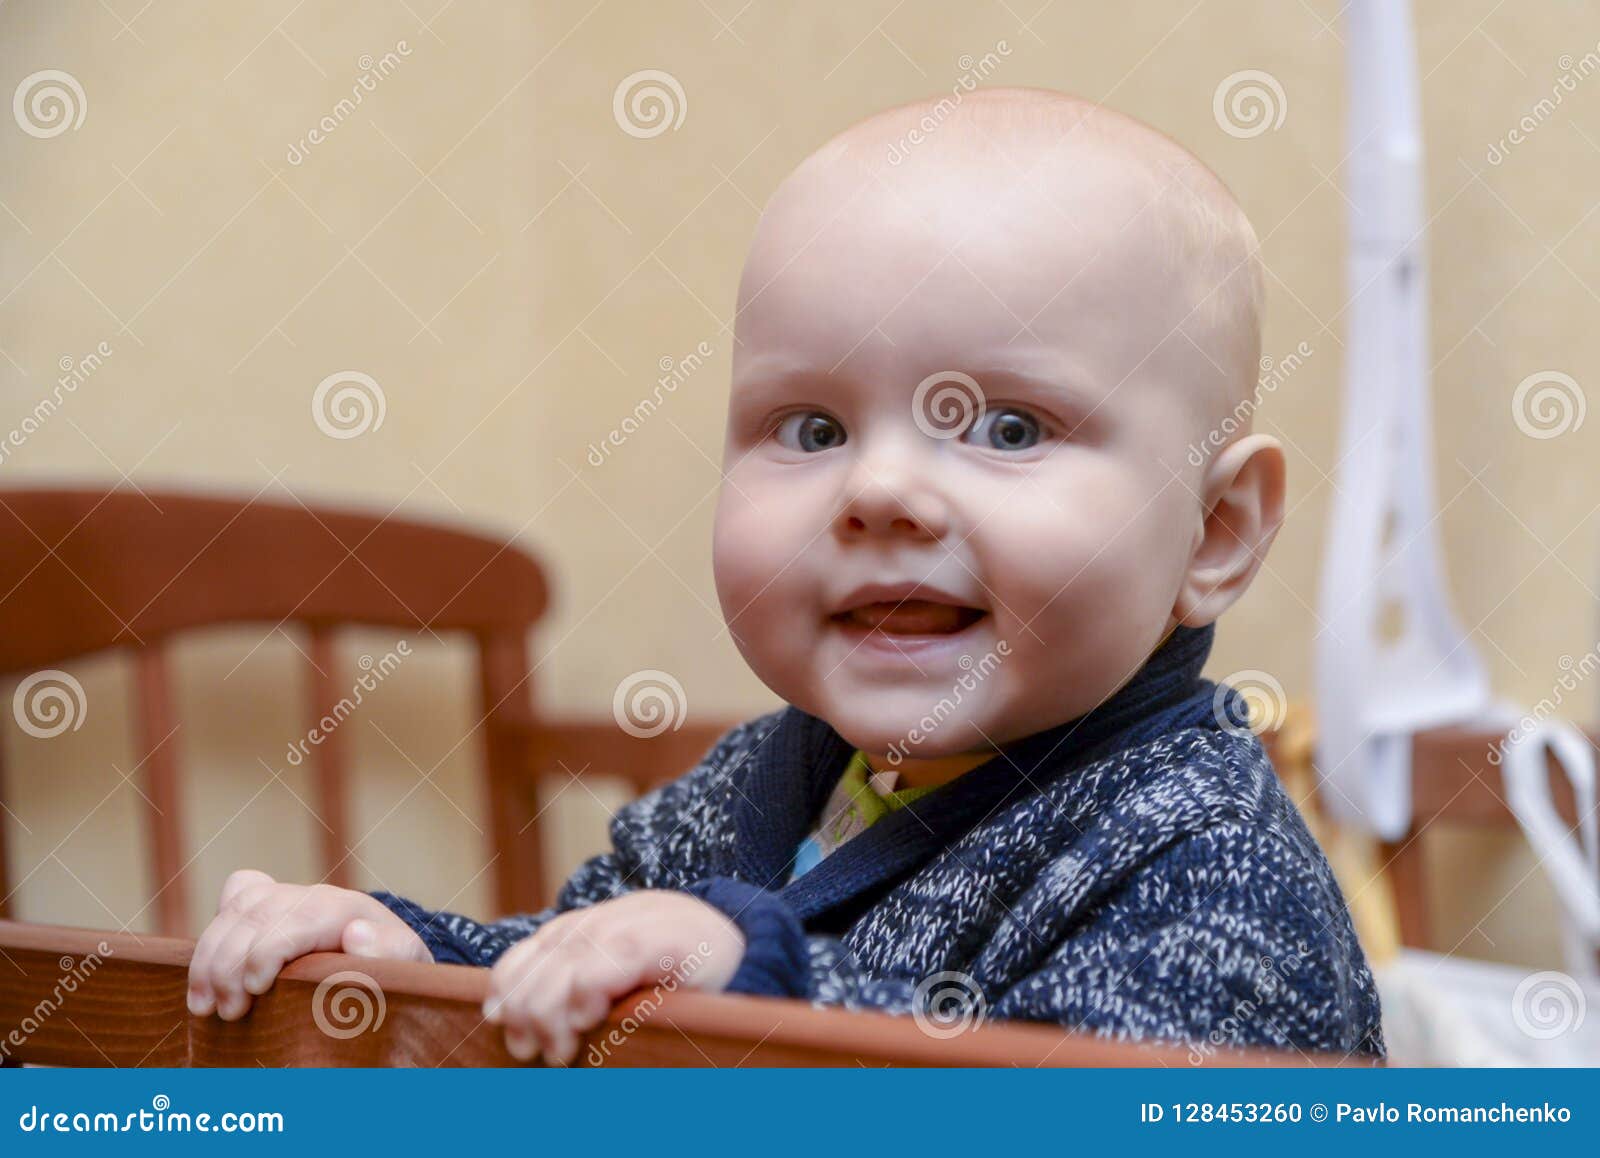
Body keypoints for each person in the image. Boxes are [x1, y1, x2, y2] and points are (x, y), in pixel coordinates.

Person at [186, 87, 1384, 1065]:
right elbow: (557, 965)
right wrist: (407, 954)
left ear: (1214, 529)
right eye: (811, 430)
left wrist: (754, 975)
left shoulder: (1201, 849)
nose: (877, 492)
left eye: (1009, 428)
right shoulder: (752, 785)